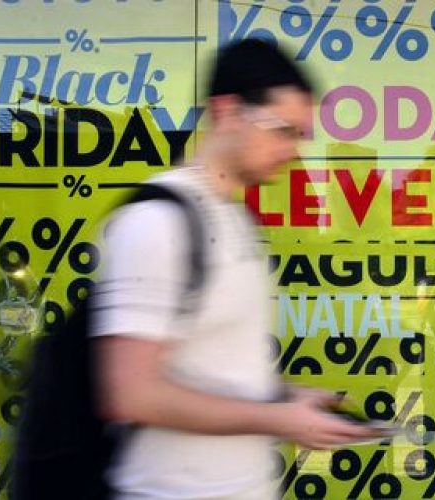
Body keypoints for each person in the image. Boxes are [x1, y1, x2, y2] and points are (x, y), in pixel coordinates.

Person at [90, 38, 379, 499]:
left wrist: (284, 396)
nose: (295, 150)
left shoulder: (233, 218)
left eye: (300, 135)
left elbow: (209, 370)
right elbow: (132, 393)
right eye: (283, 130)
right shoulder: (156, 223)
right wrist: (279, 419)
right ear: (226, 112)